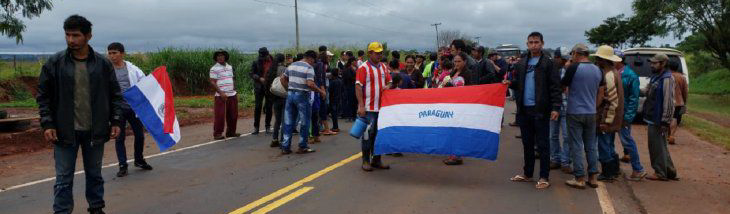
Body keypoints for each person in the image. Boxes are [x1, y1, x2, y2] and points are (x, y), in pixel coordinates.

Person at [37, 14, 123, 214]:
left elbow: (115, 95)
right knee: (63, 178)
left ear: (88, 36)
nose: (70, 40)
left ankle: (96, 207)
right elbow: (43, 96)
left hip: (95, 130)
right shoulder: (55, 63)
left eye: (75, 35)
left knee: (95, 174)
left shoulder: (103, 64)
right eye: (67, 35)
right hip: (64, 131)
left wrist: (116, 119)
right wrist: (47, 123)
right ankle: (62, 211)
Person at [505, 32, 561, 189]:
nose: (534, 45)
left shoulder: (549, 63)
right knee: (527, 143)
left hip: (541, 110)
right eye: (531, 42)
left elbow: (555, 87)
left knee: (543, 145)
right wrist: (510, 83)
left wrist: (556, 107)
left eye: (537, 42)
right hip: (524, 110)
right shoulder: (522, 63)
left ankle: (544, 177)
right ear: (527, 44)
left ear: (542, 43)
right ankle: (527, 174)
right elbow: (519, 84)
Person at [107, 42, 153, 178]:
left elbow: (144, 81)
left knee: (139, 135)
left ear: (122, 53)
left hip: (133, 107)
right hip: (117, 109)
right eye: (109, 53)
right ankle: (122, 165)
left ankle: (139, 160)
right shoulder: (107, 70)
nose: (112, 56)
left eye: (114, 53)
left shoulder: (132, 68)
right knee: (119, 137)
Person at [561, 43, 603, 189]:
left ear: (577, 54)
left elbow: (563, 85)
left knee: (576, 145)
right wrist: (594, 107)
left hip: (575, 111)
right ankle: (593, 177)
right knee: (591, 145)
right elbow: (601, 92)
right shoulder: (598, 69)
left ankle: (579, 177)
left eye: (572, 54)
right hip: (591, 112)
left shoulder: (573, 68)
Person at [356, 41, 392, 172]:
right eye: (377, 53)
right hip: (368, 108)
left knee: (379, 135)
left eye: (381, 53)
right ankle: (365, 161)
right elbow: (358, 86)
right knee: (367, 135)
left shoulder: (383, 67)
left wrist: (387, 86)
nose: (379, 55)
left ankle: (377, 160)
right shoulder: (363, 68)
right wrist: (361, 106)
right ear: (369, 53)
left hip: (382, 108)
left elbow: (390, 82)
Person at [280, 50, 324, 155]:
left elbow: (282, 79)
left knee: (288, 121)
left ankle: (285, 146)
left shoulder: (291, 65)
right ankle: (302, 146)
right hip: (302, 96)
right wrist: (320, 91)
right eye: (314, 61)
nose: (313, 63)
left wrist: (289, 89)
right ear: (311, 59)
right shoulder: (309, 68)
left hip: (290, 95)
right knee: (305, 122)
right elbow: (310, 84)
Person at [592, 45, 625, 181]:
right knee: (610, 145)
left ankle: (608, 173)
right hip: (614, 117)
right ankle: (614, 170)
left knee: (604, 146)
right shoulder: (613, 72)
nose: (597, 61)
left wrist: (606, 121)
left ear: (602, 60)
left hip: (608, 118)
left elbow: (612, 101)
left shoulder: (609, 75)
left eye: (598, 59)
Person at [643, 53, 678, 181]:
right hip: (653, 117)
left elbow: (669, 102)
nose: (652, 65)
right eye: (651, 63)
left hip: (658, 119)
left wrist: (665, 121)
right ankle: (669, 170)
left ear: (663, 64)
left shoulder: (667, 78)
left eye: (655, 63)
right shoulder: (656, 77)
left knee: (656, 146)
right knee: (660, 145)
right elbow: (647, 92)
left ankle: (660, 172)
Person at [615, 49, 647, 181]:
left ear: (618, 60)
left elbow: (634, 99)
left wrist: (628, 117)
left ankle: (638, 169)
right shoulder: (617, 73)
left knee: (627, 141)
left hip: (624, 114)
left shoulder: (630, 76)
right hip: (616, 113)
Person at [442, 53, 472, 165]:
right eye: (455, 61)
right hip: (452, 104)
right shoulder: (453, 72)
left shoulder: (468, 73)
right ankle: (453, 154)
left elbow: (470, 90)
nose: (456, 63)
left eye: (459, 61)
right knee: (451, 130)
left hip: (462, 106)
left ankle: (456, 156)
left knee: (457, 130)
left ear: (465, 61)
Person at [549, 47, 571, 174]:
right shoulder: (551, 71)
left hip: (567, 108)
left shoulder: (568, 71)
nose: (561, 61)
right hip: (553, 108)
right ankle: (555, 159)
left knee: (567, 136)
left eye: (563, 59)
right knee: (553, 135)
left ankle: (565, 161)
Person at [210, 49, 241, 140]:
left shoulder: (230, 67)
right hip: (221, 96)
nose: (220, 57)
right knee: (220, 116)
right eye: (218, 56)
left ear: (225, 57)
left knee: (233, 115)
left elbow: (232, 78)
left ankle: (231, 132)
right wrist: (221, 92)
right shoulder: (214, 68)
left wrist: (234, 88)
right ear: (216, 58)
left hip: (232, 94)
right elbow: (212, 82)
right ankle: (217, 133)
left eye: (222, 55)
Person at [250, 47, 275, 135]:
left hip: (270, 87)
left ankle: (267, 127)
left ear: (268, 54)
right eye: (261, 57)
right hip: (259, 87)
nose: (263, 58)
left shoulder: (273, 61)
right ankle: (256, 128)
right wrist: (259, 78)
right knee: (258, 107)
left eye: (264, 57)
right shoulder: (256, 62)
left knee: (268, 107)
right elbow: (251, 73)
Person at [268, 53, 288, 148]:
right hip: (284, 96)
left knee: (277, 120)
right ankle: (283, 140)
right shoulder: (284, 69)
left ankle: (274, 139)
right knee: (285, 120)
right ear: (283, 60)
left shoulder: (271, 69)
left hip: (274, 97)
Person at [668, 61, 687, 145]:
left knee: (667, 118)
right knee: (675, 118)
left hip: (667, 101)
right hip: (678, 102)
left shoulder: (667, 76)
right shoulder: (682, 77)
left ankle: (667, 135)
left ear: (669, 67)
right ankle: (672, 135)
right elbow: (685, 91)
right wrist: (684, 101)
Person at [328, 68, 343, 133]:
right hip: (338, 98)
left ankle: (335, 127)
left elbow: (329, 90)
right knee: (335, 113)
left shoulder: (332, 81)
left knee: (333, 114)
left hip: (333, 99)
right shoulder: (340, 80)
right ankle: (335, 127)